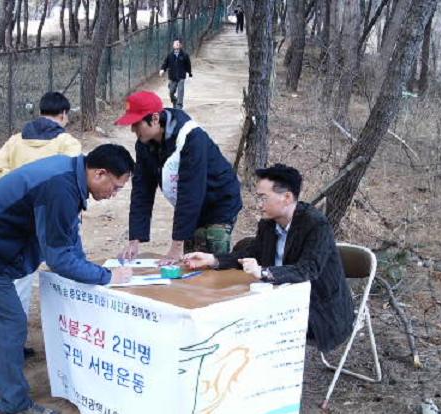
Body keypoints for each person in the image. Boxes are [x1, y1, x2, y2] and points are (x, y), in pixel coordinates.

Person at [0, 144, 135, 414]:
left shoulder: (68, 174)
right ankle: (14, 406)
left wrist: (86, 266)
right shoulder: (60, 187)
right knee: (9, 324)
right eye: (117, 187)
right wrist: (107, 277)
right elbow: (59, 258)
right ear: (100, 174)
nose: (114, 194)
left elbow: (68, 234)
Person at [182, 164, 355, 352]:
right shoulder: (268, 224)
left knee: (249, 323)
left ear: (287, 197)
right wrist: (213, 260)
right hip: (279, 298)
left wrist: (264, 271)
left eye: (263, 198)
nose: (259, 204)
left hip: (319, 308)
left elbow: (308, 269)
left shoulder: (315, 224)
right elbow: (252, 254)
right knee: (232, 312)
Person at [0, 91, 83, 358]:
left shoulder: (16, 140)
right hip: (55, 219)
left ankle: (13, 344)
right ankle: (71, 332)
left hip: (20, 220)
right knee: (67, 271)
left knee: (19, 282)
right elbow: (73, 180)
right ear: (64, 114)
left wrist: (19, 195)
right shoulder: (67, 142)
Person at [115, 91, 242, 264]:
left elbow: (190, 193)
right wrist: (134, 239)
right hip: (194, 203)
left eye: (136, 124)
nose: (132, 130)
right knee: (190, 259)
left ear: (153, 119)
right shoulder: (144, 144)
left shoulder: (192, 138)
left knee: (210, 256)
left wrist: (175, 247)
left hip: (219, 201)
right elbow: (142, 190)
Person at [159, 38, 192, 109]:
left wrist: (189, 73)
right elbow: (165, 63)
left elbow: (188, 65)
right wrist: (162, 69)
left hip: (181, 76)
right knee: (171, 92)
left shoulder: (185, 55)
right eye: (175, 43)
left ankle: (179, 105)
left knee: (180, 90)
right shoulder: (170, 55)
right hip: (172, 77)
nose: (177, 44)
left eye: (178, 43)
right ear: (173, 46)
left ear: (181, 45)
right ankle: (174, 100)